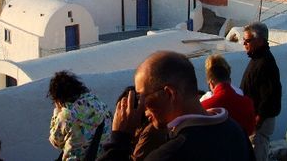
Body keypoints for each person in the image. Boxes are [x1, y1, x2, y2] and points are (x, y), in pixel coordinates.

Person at [99, 51, 254, 160]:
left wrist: (119, 141)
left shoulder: (169, 154)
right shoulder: (235, 131)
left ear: (169, 94)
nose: (142, 109)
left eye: (142, 97)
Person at [240, 22, 282, 161]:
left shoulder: (265, 63)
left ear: (260, 40)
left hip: (259, 125)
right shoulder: (257, 59)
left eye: (247, 40)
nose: (244, 44)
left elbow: (269, 97)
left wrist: (257, 122)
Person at [48, 71, 112, 160]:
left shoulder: (67, 115)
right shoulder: (99, 104)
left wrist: (56, 112)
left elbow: (56, 142)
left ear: (58, 98)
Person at [200, 54, 256, 137]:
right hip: (241, 147)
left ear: (211, 83)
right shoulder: (247, 101)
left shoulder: (203, 104)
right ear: (229, 79)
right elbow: (251, 130)